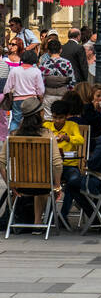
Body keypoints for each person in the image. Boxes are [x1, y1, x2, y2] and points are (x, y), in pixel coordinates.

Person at [0, 97, 62, 228]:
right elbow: (57, 163)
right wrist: (57, 186)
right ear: (40, 114)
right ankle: (38, 222)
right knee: (43, 180)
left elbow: (1, 162)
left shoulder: (13, 136)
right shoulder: (48, 135)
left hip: (20, 185)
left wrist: (10, 185)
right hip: (44, 185)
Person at [5, 48, 45, 133]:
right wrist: (41, 97)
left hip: (17, 99)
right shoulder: (36, 71)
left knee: (15, 121)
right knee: (30, 121)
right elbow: (40, 89)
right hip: (32, 101)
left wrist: (7, 96)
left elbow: (7, 87)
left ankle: (12, 139)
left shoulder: (15, 70)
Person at [38, 37, 75, 112]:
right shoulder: (67, 63)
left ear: (48, 51)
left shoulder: (44, 64)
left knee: (48, 118)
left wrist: (41, 96)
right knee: (62, 115)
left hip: (48, 95)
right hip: (63, 94)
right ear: (60, 50)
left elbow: (40, 82)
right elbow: (72, 81)